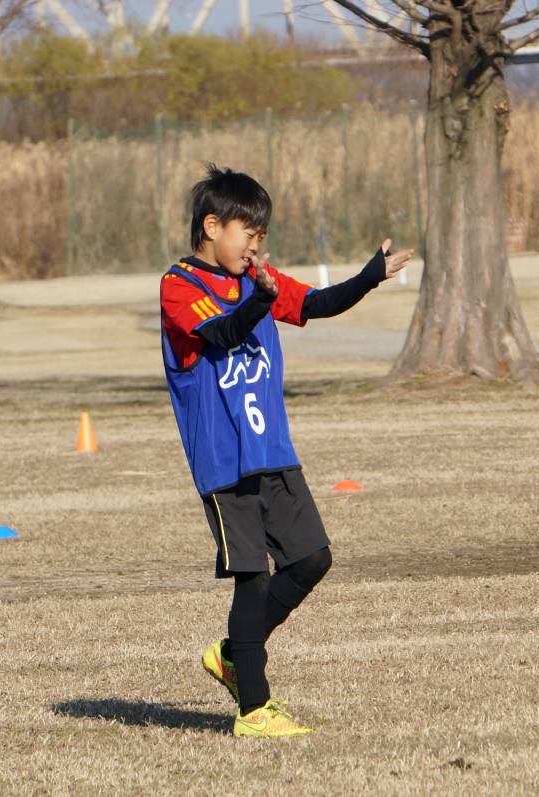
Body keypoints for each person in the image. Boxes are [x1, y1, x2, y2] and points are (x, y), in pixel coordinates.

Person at [160, 165, 413, 737]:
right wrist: (260, 300)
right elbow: (221, 332)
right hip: (225, 463)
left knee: (312, 559)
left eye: (262, 235)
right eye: (248, 233)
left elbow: (317, 303)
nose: (256, 245)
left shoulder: (259, 280)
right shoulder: (179, 285)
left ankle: (233, 653)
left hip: (272, 450)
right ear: (211, 227)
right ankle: (254, 710)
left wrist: (369, 277)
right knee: (252, 578)